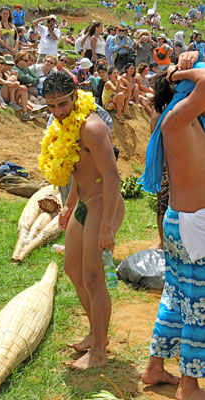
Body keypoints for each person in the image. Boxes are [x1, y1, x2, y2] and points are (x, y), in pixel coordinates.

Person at [39, 71, 124, 370]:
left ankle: (99, 351)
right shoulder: (65, 126)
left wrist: (106, 227)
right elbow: (78, 170)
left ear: (75, 95)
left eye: (62, 104)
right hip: (84, 203)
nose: (58, 112)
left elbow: (112, 177)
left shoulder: (92, 126)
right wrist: (69, 205)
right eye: (52, 107)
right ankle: (94, 333)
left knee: (93, 277)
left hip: (104, 204)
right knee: (72, 268)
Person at [140, 54, 205, 399]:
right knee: (198, 306)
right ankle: (189, 386)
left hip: (183, 223)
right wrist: (179, 70)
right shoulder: (176, 121)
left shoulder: (184, 120)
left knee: (175, 297)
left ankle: (154, 369)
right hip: (193, 226)